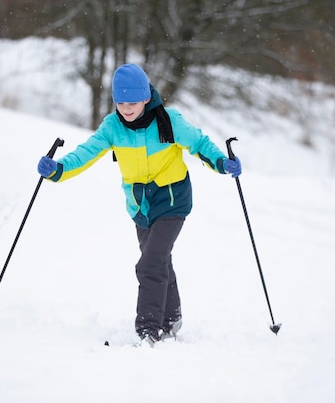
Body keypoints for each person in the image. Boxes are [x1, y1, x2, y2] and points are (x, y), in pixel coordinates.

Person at [37, 63, 241, 346]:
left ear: (146, 98)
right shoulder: (112, 127)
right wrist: (58, 170)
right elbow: (86, 153)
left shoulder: (168, 121)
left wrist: (221, 162)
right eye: (120, 102)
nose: (126, 108)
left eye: (132, 102)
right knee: (159, 260)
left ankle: (148, 331)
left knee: (150, 263)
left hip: (172, 200)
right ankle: (172, 318)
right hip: (140, 207)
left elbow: (199, 144)